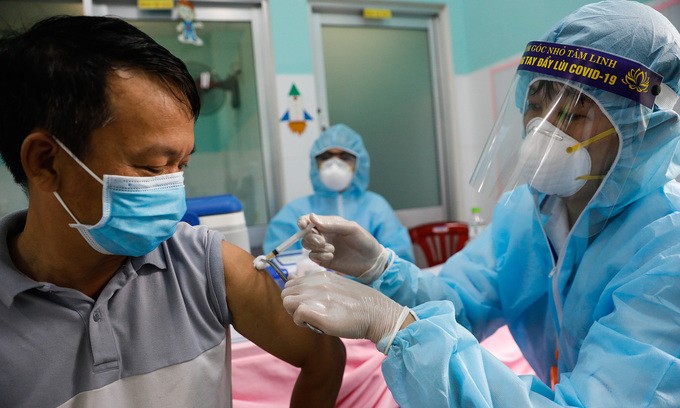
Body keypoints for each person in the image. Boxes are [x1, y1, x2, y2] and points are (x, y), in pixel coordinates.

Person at [280, 1, 680, 407]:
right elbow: (460, 299)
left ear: (642, 130)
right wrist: (379, 269)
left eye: (572, 114)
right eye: (537, 107)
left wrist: (395, 325)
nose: (542, 133)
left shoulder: (667, 250)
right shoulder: (530, 213)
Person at [0, 15, 345, 407]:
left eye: (180, 165)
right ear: (45, 162)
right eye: (151, 166)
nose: (172, 190)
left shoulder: (204, 265)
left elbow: (324, 356)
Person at [264, 123, 415, 263]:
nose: (334, 164)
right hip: (313, 291)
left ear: (359, 163)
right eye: (325, 157)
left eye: (344, 157)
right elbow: (277, 267)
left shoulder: (376, 207)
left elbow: (399, 263)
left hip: (370, 291)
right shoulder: (293, 212)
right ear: (315, 163)